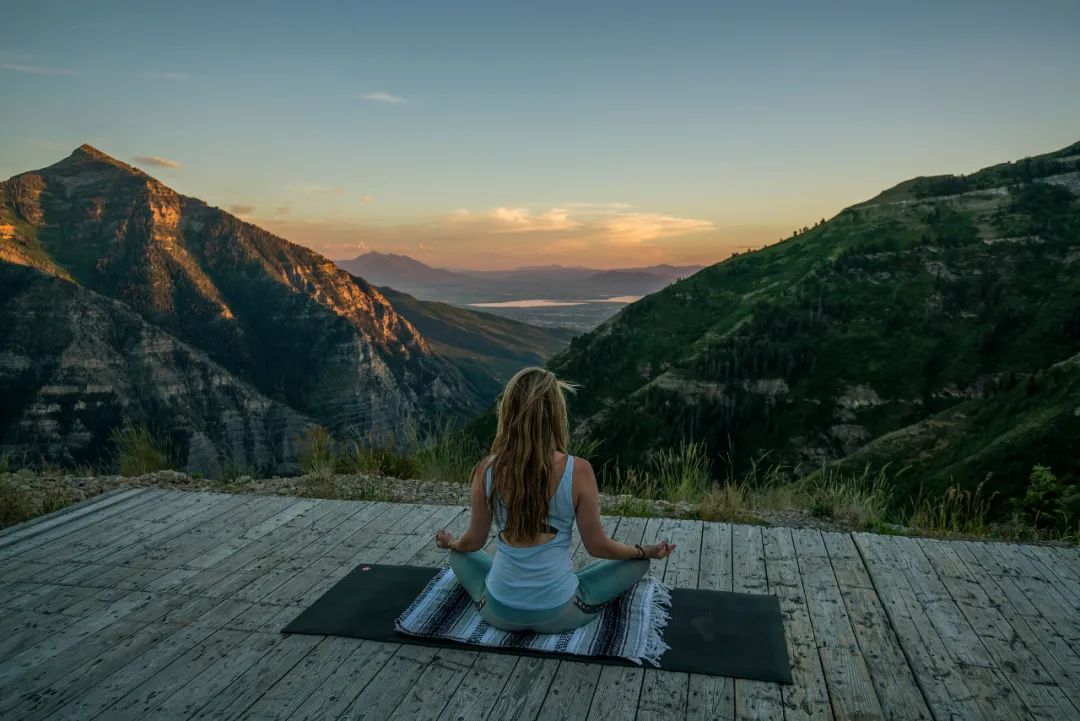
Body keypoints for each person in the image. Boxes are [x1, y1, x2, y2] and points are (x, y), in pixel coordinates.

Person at [433, 367, 676, 633]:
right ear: (555, 415)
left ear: (508, 412)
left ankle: (510, 589)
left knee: (458, 556)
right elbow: (598, 547)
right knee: (637, 564)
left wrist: (451, 543)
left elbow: (473, 543)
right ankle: (566, 585)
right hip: (559, 614)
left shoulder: (486, 470)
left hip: (498, 611)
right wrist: (645, 551)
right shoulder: (578, 471)